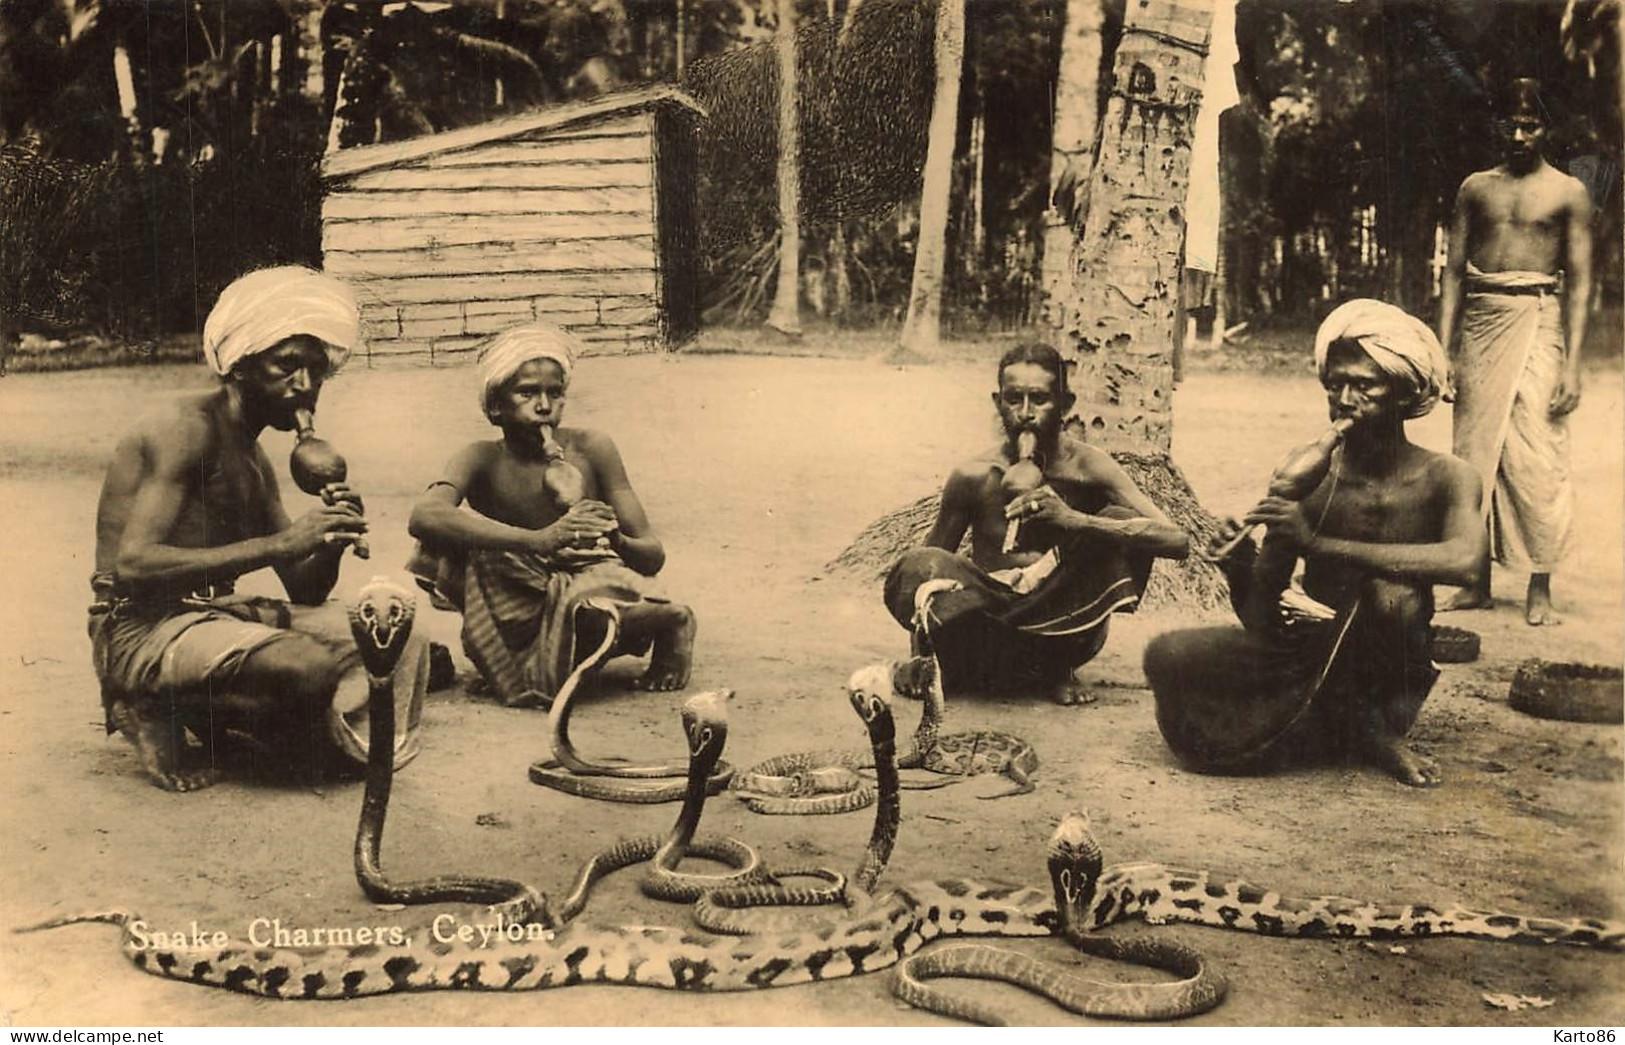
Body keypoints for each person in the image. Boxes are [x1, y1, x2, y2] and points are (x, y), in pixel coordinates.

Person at [90, 266, 428, 792]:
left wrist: (331, 539)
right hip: (140, 628)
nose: (305, 385)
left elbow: (306, 587)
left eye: (316, 370)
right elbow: (133, 567)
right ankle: (149, 701)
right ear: (240, 365)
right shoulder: (186, 429)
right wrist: (280, 543)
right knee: (306, 669)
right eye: (286, 366)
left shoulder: (254, 460)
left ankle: (237, 722)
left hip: (211, 614)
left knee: (404, 639)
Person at [1144, 300, 1486, 788]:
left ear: (1404, 392)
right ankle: (1333, 725)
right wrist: (1242, 567)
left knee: (1394, 595)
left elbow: (1467, 562)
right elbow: (1263, 623)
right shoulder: (1310, 476)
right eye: (1335, 384)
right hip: (1305, 653)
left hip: (1387, 670)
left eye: (1365, 385)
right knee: (1167, 653)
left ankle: (1378, 730)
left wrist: (1318, 544)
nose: (1345, 398)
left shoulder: (1447, 476)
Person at [883, 342, 1189, 705]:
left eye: (1040, 400)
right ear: (998, 403)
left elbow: (1177, 540)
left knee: (1120, 522)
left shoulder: (1090, 468)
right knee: (919, 562)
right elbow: (925, 573)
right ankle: (955, 666)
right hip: (989, 623)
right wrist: (923, 658)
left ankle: (1057, 670)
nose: (1025, 413)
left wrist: (1074, 520)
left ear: (1066, 404)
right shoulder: (974, 475)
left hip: (1064, 631)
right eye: (1014, 400)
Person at [407, 324, 695, 707]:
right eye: (527, 392)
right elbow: (424, 515)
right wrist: (538, 540)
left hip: (591, 577)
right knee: (434, 548)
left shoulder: (592, 448)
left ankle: (672, 620)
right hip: (521, 580)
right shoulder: (480, 458)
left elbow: (652, 553)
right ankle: (519, 657)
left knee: (586, 614)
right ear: (496, 406)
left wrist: (613, 537)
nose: (544, 406)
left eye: (555, 393)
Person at [1436, 77, 1593, 625]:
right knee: (1474, 456)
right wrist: (1444, 349)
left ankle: (1539, 587)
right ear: (1496, 125)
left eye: (1531, 124)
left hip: (1538, 320)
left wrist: (1572, 364)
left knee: (1537, 456)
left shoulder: (1568, 192)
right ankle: (1473, 581)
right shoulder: (1475, 188)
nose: (1520, 134)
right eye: (1511, 123)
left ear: (1548, 128)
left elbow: (1579, 280)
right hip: (1482, 321)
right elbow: (1453, 272)